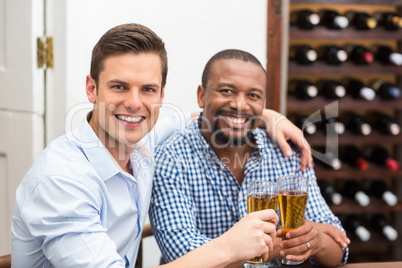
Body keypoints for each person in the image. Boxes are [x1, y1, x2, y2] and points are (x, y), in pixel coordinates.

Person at [11, 23, 311, 268]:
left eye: (147, 90)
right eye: (119, 86)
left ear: (161, 95)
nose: (134, 103)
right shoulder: (61, 180)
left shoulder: (142, 143)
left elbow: (209, 115)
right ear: (92, 88)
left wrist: (270, 117)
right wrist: (230, 247)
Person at [150, 49, 350, 267]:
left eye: (253, 96)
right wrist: (278, 243)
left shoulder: (287, 152)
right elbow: (183, 258)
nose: (240, 105)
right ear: (201, 95)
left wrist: (317, 240)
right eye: (227, 91)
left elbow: (339, 249)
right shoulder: (170, 159)